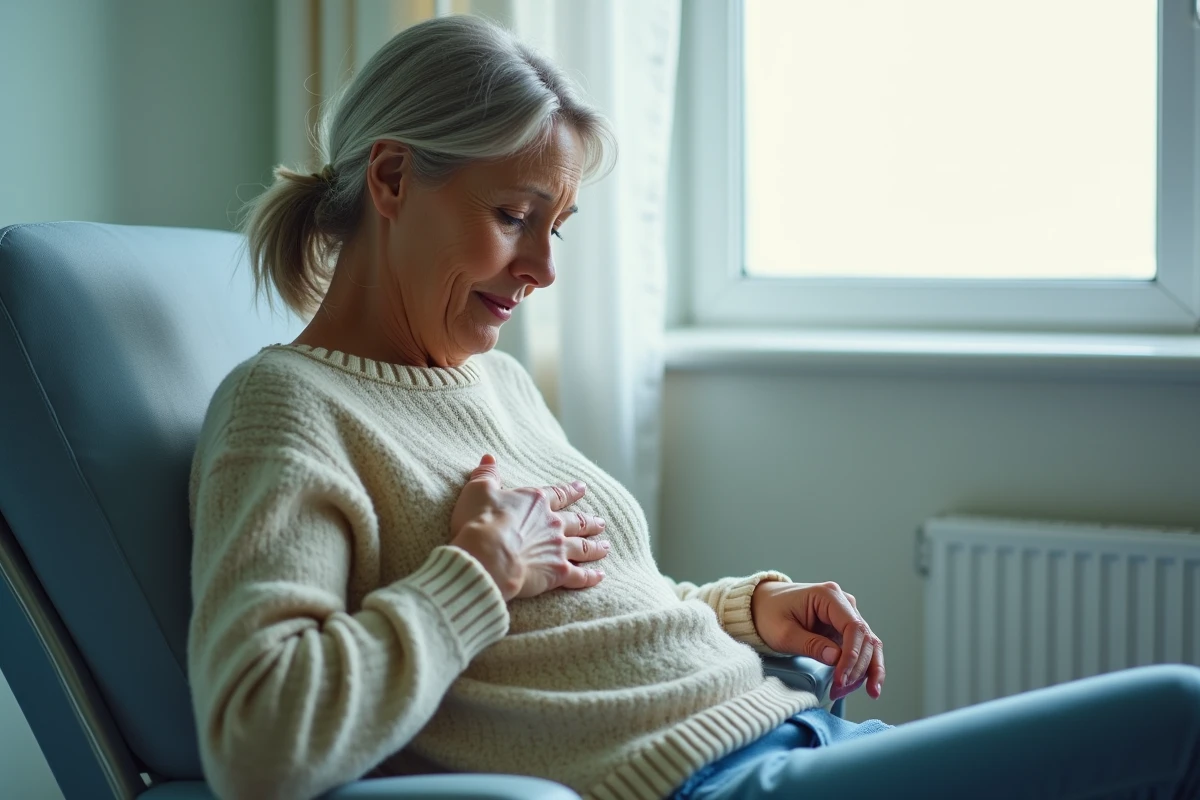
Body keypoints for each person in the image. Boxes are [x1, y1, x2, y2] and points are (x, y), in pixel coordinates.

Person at [188, 14, 1200, 800]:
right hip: (716, 782)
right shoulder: (288, 407)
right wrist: (480, 569)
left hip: (789, 725)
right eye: (513, 218)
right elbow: (256, 741)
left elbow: (590, 605)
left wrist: (745, 609)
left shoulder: (488, 378)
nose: (542, 267)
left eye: (560, 229)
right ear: (396, 176)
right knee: (1177, 717)